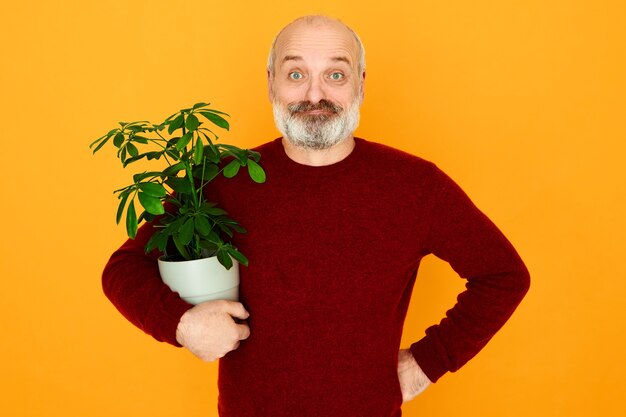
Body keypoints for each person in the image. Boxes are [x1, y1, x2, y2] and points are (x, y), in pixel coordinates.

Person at [102, 15, 530, 417]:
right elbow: (123, 269)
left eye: (336, 74)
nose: (314, 94)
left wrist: (427, 363)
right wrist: (180, 324)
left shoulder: (416, 185)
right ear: (271, 84)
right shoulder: (219, 181)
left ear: (360, 85)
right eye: (295, 74)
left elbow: (504, 275)